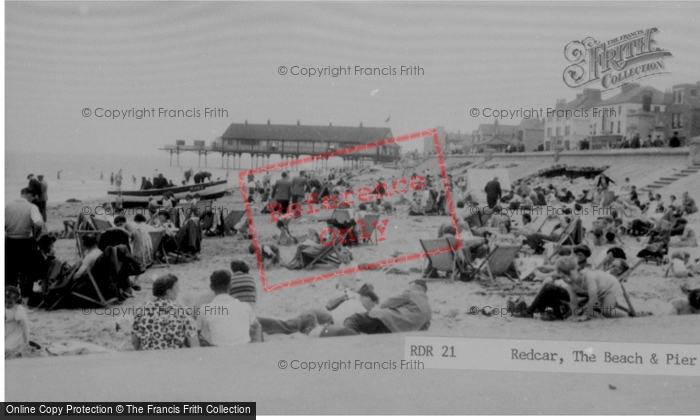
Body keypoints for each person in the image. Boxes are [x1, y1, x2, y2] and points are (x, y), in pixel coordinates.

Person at [132, 274, 200, 350]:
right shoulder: (182, 311)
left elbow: (135, 341)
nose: (178, 290)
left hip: (149, 359)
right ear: (168, 292)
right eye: (176, 288)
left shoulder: (142, 310)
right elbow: (194, 344)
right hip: (174, 359)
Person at [196, 270, 261, 346]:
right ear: (230, 285)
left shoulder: (205, 309)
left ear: (211, 287)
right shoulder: (245, 306)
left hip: (219, 352)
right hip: (243, 349)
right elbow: (257, 327)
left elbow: (197, 332)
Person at [344, 280, 431, 334]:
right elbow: (423, 330)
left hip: (388, 319)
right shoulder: (429, 310)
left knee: (354, 319)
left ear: (415, 285)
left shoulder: (412, 293)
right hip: (400, 333)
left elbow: (386, 304)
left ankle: (348, 343)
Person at [5, 188, 44, 304]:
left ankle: (11, 300)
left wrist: (7, 231)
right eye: (33, 197)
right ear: (28, 195)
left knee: (10, 272)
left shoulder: (8, 206)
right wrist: (35, 236)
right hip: (26, 241)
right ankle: (25, 300)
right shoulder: (32, 207)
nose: (33, 200)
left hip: (11, 241)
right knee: (27, 272)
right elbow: (38, 223)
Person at [556, 256, 624, 321]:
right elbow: (573, 302)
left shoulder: (588, 276)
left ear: (577, 269)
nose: (567, 279)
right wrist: (575, 316)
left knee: (606, 312)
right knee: (599, 308)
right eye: (563, 277)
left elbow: (593, 298)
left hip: (610, 287)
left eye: (569, 275)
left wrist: (585, 315)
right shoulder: (571, 283)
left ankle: (626, 316)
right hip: (599, 290)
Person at [5, 286, 30, 358]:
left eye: (10, 303)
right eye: (5, 302)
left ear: (16, 301)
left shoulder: (18, 309)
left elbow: (24, 328)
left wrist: (26, 343)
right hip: (6, 331)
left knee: (7, 347)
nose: (6, 305)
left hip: (16, 333)